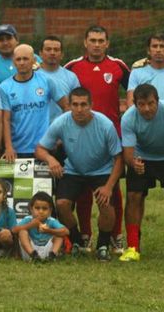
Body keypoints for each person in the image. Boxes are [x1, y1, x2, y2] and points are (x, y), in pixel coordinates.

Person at [35, 87, 123, 261]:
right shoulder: (61, 122)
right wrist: (51, 160)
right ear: (69, 105)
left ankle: (103, 245)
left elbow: (119, 159)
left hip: (102, 170)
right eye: (75, 104)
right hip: (74, 169)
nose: (79, 109)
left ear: (91, 105)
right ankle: (77, 241)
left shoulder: (105, 124)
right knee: (61, 204)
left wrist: (108, 187)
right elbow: (40, 149)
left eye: (83, 104)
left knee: (106, 205)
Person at [64, 25, 129, 254]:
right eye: (93, 40)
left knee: (113, 190)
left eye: (101, 40)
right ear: (85, 42)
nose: (97, 44)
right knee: (83, 190)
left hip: (111, 137)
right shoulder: (72, 67)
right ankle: (85, 235)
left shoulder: (118, 66)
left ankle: (116, 235)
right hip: (81, 136)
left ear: (107, 43)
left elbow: (135, 94)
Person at [119, 84, 164, 263]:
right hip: (142, 157)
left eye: (151, 103)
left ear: (158, 102)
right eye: (141, 104)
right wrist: (133, 164)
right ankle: (133, 248)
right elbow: (128, 152)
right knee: (134, 196)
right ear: (134, 104)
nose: (146, 108)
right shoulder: (128, 118)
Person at [0, 44, 68, 161]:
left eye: (25, 59)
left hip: (44, 148)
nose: (22, 62)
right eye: (18, 59)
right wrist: (9, 147)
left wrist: (59, 136)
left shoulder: (46, 81)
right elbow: (5, 120)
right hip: (17, 150)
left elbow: (67, 107)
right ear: (13, 62)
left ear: (34, 60)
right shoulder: (4, 87)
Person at [12, 191, 68, 262]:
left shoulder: (51, 220)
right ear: (31, 209)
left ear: (50, 211)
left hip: (47, 250)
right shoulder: (28, 219)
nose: (41, 211)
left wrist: (49, 230)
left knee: (59, 234)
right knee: (22, 232)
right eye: (37, 208)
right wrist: (30, 225)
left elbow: (66, 231)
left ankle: (52, 256)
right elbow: (14, 230)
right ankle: (34, 256)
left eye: (44, 209)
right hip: (30, 251)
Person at [38, 36, 80, 121]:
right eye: (48, 49)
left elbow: (77, 105)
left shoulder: (71, 77)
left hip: (62, 129)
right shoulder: (33, 77)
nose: (52, 53)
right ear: (40, 53)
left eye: (56, 50)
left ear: (62, 55)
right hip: (39, 130)